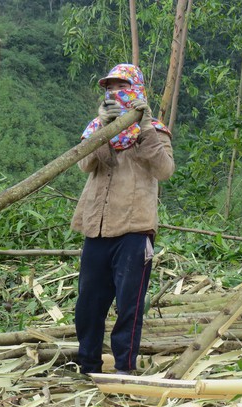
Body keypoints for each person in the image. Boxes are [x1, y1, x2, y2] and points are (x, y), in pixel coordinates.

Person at [71, 63, 175, 374]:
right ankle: (88, 365)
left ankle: (124, 370)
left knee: (128, 307)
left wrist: (142, 128)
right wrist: (103, 128)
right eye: (111, 88)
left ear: (137, 90)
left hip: (134, 230)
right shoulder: (97, 129)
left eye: (122, 86)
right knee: (88, 305)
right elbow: (84, 164)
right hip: (98, 227)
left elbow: (164, 170)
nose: (116, 93)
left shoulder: (154, 131)